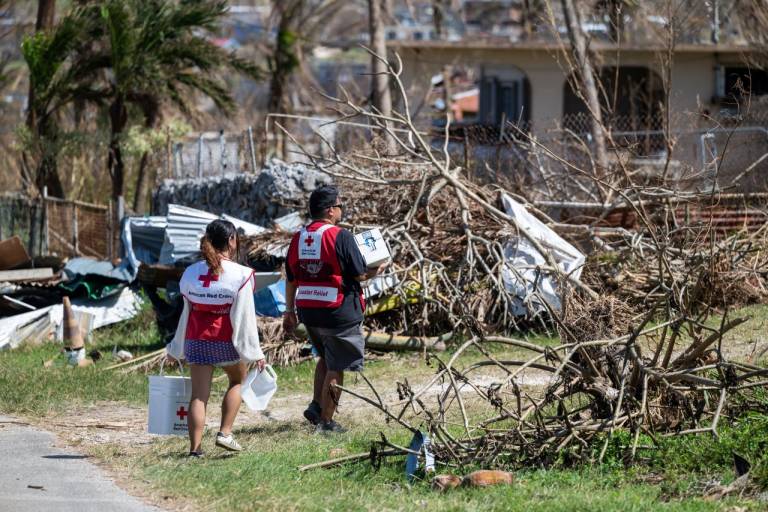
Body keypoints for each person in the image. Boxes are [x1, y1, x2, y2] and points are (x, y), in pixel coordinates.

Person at [283, 185, 385, 433]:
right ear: (330, 210)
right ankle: (326, 423)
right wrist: (377, 270)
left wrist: (289, 311)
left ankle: (317, 405)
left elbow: (290, 277)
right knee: (337, 365)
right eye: (339, 206)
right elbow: (360, 273)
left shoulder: (298, 237)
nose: (341, 210)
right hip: (337, 310)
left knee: (326, 359)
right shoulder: (341, 236)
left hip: (309, 310)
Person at [167, 219, 266, 457]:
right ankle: (225, 432)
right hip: (225, 341)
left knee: (198, 396)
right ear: (232, 240)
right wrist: (255, 352)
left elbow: (186, 312)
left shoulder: (190, 273)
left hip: (196, 340)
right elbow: (245, 318)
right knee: (238, 381)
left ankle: (195, 450)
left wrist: (175, 347)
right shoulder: (241, 274)